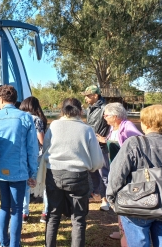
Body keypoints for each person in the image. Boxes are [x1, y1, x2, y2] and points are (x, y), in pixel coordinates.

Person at [107, 105, 162, 247]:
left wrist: (111, 198)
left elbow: (117, 173)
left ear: (146, 123)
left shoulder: (134, 144)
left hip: (136, 205)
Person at [0, 85, 38, 247]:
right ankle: (14, 244)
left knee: (4, 206)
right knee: (17, 209)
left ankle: (3, 242)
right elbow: (32, 149)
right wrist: (32, 173)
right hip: (19, 171)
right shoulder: (25, 118)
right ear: (14, 100)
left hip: (0, 169)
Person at [43, 98, 104, 247]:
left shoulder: (54, 126)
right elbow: (97, 161)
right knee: (78, 219)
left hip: (54, 173)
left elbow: (45, 149)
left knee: (53, 216)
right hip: (78, 175)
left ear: (62, 110)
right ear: (80, 111)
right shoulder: (87, 129)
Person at [96, 102, 142, 244]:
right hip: (115, 169)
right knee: (118, 201)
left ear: (115, 116)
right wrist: (104, 140)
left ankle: (127, 233)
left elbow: (138, 144)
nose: (104, 117)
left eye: (107, 114)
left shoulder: (127, 126)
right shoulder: (113, 127)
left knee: (125, 201)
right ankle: (122, 230)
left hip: (126, 172)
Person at [19, 96, 48, 224]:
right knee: (44, 183)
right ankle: (45, 213)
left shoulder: (19, 118)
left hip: (22, 155)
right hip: (36, 156)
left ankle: (24, 213)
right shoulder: (36, 119)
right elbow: (41, 140)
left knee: (25, 184)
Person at [81, 85, 110, 210]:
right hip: (90, 144)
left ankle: (106, 199)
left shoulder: (105, 108)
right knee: (92, 171)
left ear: (95, 95)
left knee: (103, 172)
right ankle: (97, 194)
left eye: (88, 96)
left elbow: (113, 126)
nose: (86, 98)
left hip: (101, 146)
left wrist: (106, 139)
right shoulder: (89, 109)